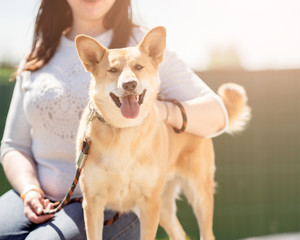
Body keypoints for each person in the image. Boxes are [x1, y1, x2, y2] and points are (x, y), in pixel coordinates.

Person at [0, 0, 228, 239]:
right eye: (114, 71)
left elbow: (217, 115)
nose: (127, 80)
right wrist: (29, 190)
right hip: (37, 196)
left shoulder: (143, 45)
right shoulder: (38, 54)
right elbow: (14, 144)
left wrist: (158, 110)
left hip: (120, 203)